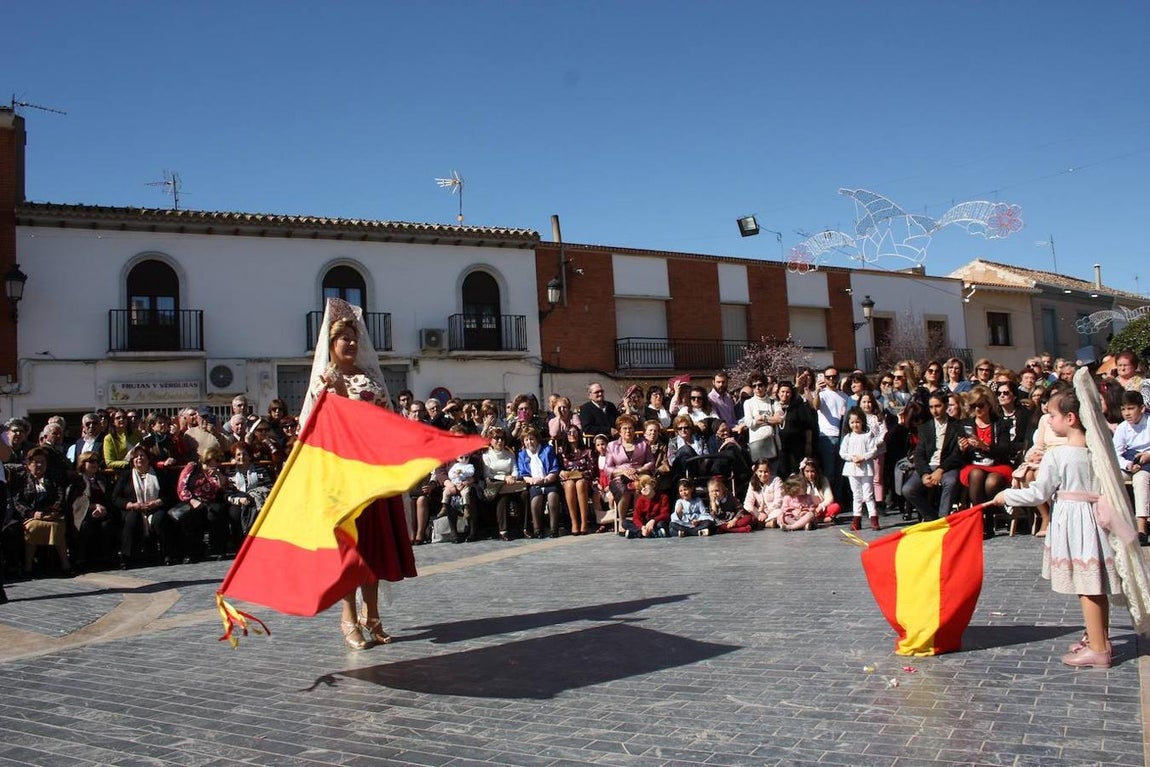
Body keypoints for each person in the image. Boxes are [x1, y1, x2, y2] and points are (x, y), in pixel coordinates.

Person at [303, 297, 415, 650]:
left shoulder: (371, 382)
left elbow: (385, 423)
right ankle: (348, 617)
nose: (350, 344)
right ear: (331, 345)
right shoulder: (322, 381)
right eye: (343, 339)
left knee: (373, 548)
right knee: (349, 552)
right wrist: (335, 393)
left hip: (373, 475)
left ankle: (373, 614)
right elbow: (317, 431)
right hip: (342, 480)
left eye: (354, 338)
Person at [994, 386, 1121, 668]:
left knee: (1087, 586)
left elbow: (1038, 493)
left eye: (1052, 415)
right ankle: (1099, 636)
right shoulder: (1098, 447)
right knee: (1094, 584)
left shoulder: (1059, 455)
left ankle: (1098, 649)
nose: (1049, 421)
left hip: (1075, 522)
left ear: (1071, 418)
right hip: (1095, 518)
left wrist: (1006, 495)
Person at [957, 387, 1015, 539]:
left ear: (989, 405)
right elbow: (959, 454)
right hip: (974, 464)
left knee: (991, 482)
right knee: (976, 474)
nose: (977, 409)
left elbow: (1005, 450)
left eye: (981, 405)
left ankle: (988, 519)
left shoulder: (1000, 424)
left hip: (997, 464)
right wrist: (963, 448)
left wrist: (985, 447)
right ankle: (979, 520)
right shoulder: (965, 424)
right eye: (973, 405)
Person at [10, 447, 72, 576]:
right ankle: (28, 567)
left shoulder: (52, 477)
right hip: (31, 515)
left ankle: (65, 566)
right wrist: (32, 514)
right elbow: (17, 501)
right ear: (28, 464)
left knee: (57, 527)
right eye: (35, 462)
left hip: (51, 514)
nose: (39, 465)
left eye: (42, 462)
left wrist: (54, 511)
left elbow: (60, 496)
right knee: (34, 528)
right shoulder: (22, 479)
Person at [902, 392, 964, 522]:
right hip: (929, 465)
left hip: (948, 466)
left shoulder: (958, 425)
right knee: (908, 489)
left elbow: (957, 454)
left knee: (950, 482)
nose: (934, 410)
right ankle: (931, 517)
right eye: (931, 407)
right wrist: (924, 474)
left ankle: (943, 518)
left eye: (938, 406)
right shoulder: (925, 427)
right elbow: (919, 453)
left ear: (946, 405)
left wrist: (940, 470)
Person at [112, 445, 177, 567]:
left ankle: (167, 554)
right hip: (134, 509)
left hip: (155, 508)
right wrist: (131, 505)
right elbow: (116, 498)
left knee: (160, 519)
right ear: (132, 461)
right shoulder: (126, 476)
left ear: (148, 458)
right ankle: (127, 557)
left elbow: (169, 495)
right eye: (136, 457)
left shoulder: (158, 474)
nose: (139, 458)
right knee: (132, 519)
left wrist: (157, 502)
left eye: (142, 455)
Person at [68, 450, 117, 570]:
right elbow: (75, 500)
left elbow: (109, 497)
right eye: (90, 461)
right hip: (83, 512)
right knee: (85, 525)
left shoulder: (101, 479)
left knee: (107, 524)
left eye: (96, 461)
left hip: (103, 511)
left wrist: (103, 508)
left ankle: (105, 558)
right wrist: (94, 506)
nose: (94, 463)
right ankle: (81, 559)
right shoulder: (77, 479)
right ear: (82, 463)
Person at [1112, 390, 1150, 545]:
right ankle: (1113, 524)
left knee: (1141, 481)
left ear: (1141, 408)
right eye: (1123, 409)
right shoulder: (1122, 428)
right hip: (1130, 463)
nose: (1126, 413)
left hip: (1147, 463)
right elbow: (1116, 453)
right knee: (1112, 478)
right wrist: (1128, 465)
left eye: (1130, 408)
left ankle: (1141, 529)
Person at [604, 414, 654, 525]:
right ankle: (622, 521)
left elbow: (651, 462)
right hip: (619, 476)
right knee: (624, 491)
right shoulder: (612, 446)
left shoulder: (643, 443)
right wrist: (623, 471)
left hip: (639, 475)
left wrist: (639, 470)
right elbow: (607, 467)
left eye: (630, 428)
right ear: (619, 431)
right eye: (624, 428)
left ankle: (638, 520)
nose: (628, 431)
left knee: (639, 487)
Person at [516, 426, 562, 538]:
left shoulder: (547, 450)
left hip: (549, 481)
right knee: (536, 500)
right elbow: (523, 474)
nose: (529, 442)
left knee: (552, 498)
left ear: (537, 439)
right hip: (534, 483)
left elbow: (555, 468)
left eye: (531, 439)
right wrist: (533, 481)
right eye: (526, 440)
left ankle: (553, 529)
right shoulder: (522, 454)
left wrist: (546, 479)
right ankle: (537, 529)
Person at [840, 408, 880, 531]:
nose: (855, 425)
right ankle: (856, 520)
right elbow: (842, 452)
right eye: (852, 422)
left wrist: (862, 458)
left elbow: (873, 450)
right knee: (856, 495)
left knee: (868, 495)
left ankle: (873, 518)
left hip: (866, 468)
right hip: (852, 469)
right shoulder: (848, 437)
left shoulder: (867, 436)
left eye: (857, 422)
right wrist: (852, 458)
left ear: (862, 422)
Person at [481, 426, 519, 541]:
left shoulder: (509, 454)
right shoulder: (486, 455)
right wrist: (504, 477)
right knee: (504, 497)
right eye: (496, 439)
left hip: (510, 482)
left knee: (525, 494)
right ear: (491, 441)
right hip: (494, 483)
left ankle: (525, 527)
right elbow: (488, 474)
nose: (499, 441)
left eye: (502, 439)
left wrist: (513, 476)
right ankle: (503, 530)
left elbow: (515, 469)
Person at [557, 424, 594, 536]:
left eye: (575, 432)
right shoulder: (561, 451)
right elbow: (558, 468)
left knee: (580, 484)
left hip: (584, 478)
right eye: (569, 433)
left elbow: (592, 470)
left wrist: (580, 474)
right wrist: (561, 472)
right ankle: (574, 522)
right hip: (568, 480)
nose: (572, 435)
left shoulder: (587, 451)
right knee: (569, 485)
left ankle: (584, 521)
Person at [774, 380, 815, 480]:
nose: (785, 394)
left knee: (797, 472)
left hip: (797, 446)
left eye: (788, 392)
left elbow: (808, 426)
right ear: (778, 393)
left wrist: (808, 444)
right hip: (781, 447)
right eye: (782, 392)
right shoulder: (774, 406)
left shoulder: (798, 406)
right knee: (783, 473)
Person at [742, 374, 780, 465]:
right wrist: (770, 421)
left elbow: (779, 419)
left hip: (773, 443)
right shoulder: (748, 403)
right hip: (756, 443)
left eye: (760, 385)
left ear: (765, 386)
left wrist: (762, 418)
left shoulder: (773, 402)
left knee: (773, 471)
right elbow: (749, 423)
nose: (757, 388)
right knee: (760, 472)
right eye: (754, 386)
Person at [621, 474, 670, 538]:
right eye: (641, 488)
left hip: (656, 522)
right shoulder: (640, 500)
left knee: (661, 524)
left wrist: (653, 520)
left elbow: (665, 514)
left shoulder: (663, 497)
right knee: (625, 523)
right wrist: (642, 527)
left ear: (652, 484)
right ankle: (644, 533)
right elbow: (636, 517)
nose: (643, 489)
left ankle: (636, 534)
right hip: (644, 524)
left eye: (644, 486)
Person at [743, 459, 784, 528]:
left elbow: (779, 500)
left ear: (770, 471)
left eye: (766, 472)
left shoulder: (776, 480)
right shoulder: (752, 483)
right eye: (760, 471)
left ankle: (764, 523)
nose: (763, 474)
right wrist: (758, 514)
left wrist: (767, 513)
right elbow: (747, 503)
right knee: (747, 517)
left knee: (780, 513)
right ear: (756, 471)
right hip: (759, 514)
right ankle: (767, 523)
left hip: (773, 512)